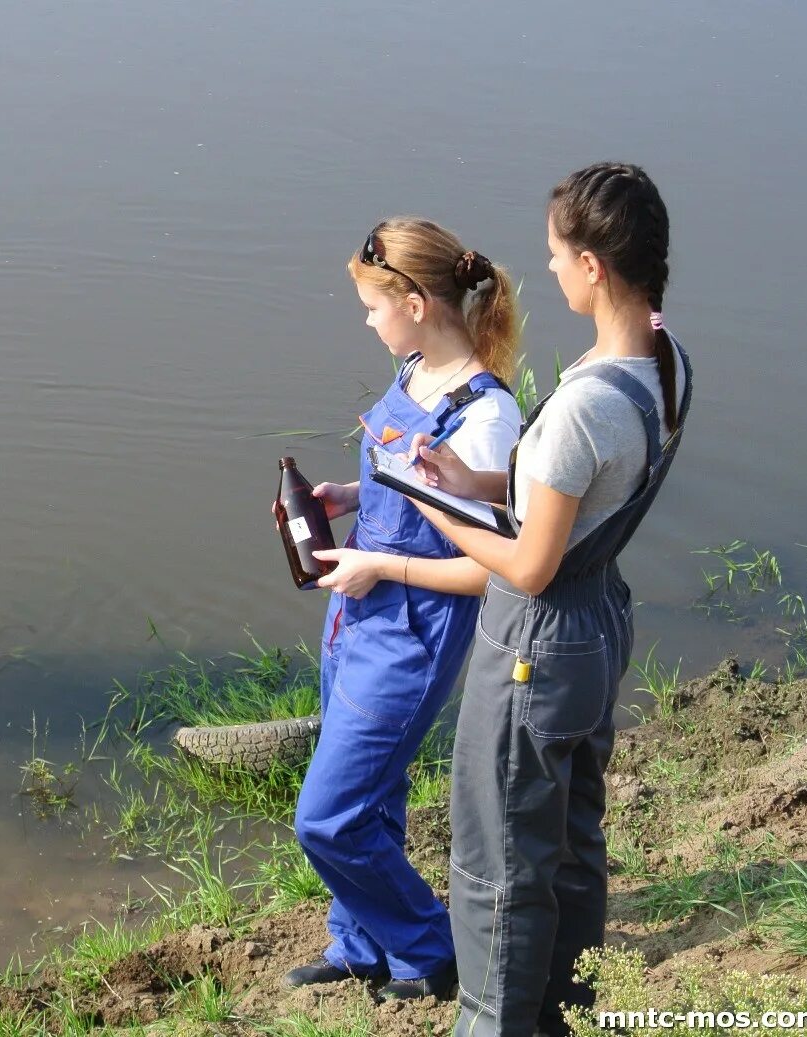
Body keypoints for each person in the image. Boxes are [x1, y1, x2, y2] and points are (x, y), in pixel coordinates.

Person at [406, 163, 692, 1037]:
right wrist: (474, 478)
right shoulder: (664, 359)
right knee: (570, 847)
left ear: (593, 268)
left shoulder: (580, 408)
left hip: (536, 638)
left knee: (497, 866)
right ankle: (563, 1018)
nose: (551, 271)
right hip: (598, 625)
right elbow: (574, 490)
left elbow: (527, 564)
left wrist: (433, 510)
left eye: (556, 256)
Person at [282, 218, 522, 1002]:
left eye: (373, 302)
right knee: (371, 795)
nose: (366, 318)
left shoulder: (484, 419)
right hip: (355, 616)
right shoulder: (416, 370)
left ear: (416, 301)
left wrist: (379, 561)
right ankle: (360, 944)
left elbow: (492, 571)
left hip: (410, 637)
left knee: (326, 814)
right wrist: (351, 497)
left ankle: (429, 945)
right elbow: (408, 485)